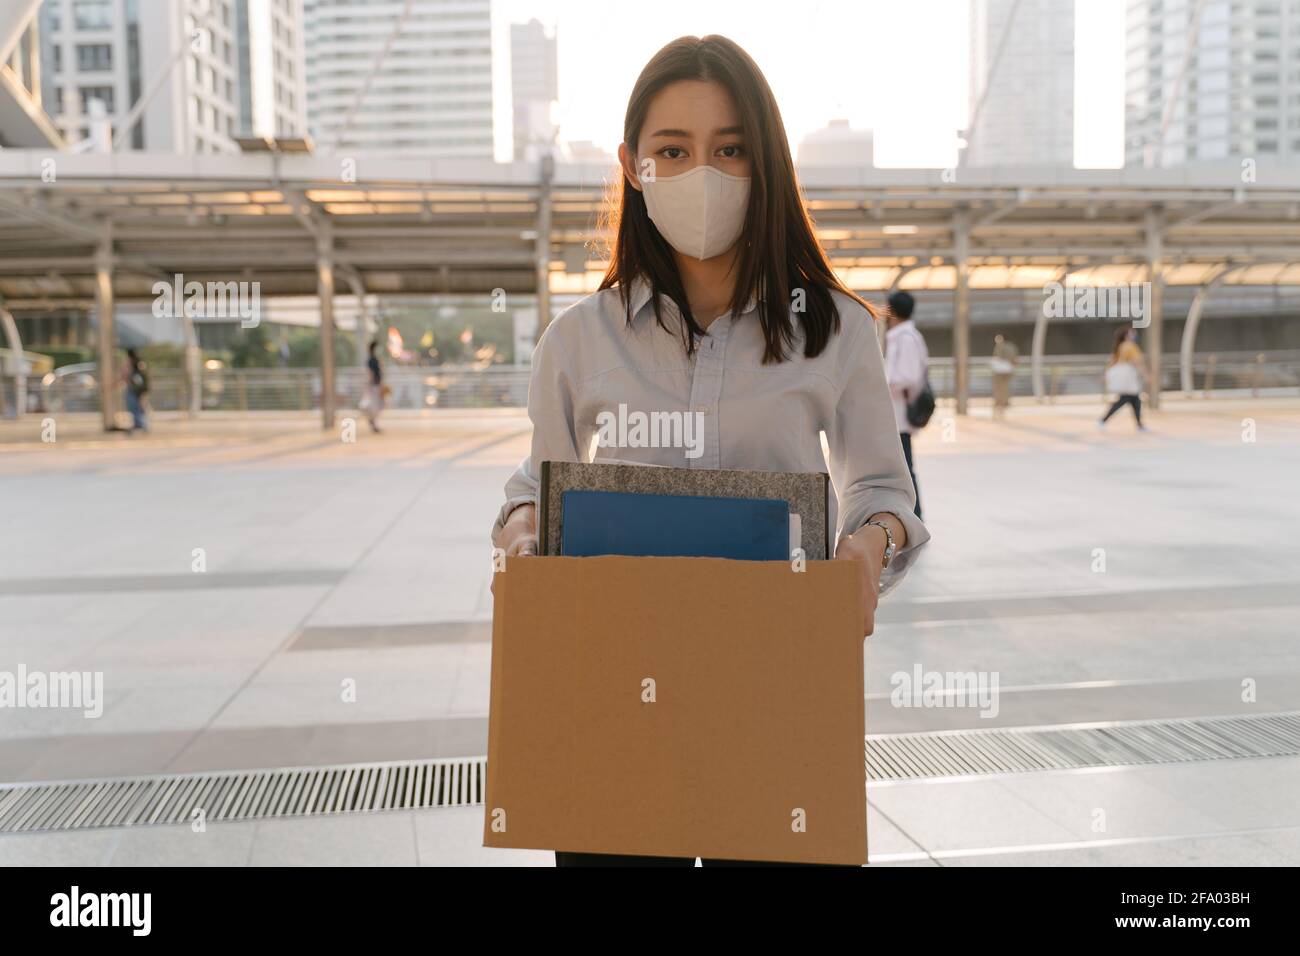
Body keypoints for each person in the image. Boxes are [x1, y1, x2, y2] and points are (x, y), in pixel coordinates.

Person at [490, 35, 930, 867]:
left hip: (774, 696)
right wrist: (520, 533)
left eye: (730, 149)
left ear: (766, 162)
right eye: (673, 150)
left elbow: (884, 491)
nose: (704, 173)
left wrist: (870, 549)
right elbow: (535, 485)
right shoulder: (575, 342)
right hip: (610, 697)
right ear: (631, 165)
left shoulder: (836, 331)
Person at [882, 291, 928, 519]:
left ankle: (914, 515)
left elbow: (908, 376)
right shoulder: (904, 336)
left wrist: (883, 383)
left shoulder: (905, 338)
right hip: (897, 414)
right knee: (904, 466)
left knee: (905, 467)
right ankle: (911, 514)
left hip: (899, 415)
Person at [1099, 326, 1148, 431]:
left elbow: (1113, 362)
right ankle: (1103, 420)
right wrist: (1146, 375)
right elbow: (1136, 362)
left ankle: (1139, 425)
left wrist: (1105, 375)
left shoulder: (1120, 346)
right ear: (1127, 335)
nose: (1135, 335)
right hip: (1129, 379)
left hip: (1125, 379)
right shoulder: (1130, 346)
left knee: (1134, 400)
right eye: (1132, 333)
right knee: (1127, 400)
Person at [119, 347, 150, 433]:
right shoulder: (140, 364)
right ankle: (140, 424)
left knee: (137, 407)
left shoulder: (135, 364)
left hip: (135, 390)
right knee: (138, 407)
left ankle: (141, 424)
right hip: (137, 389)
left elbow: (126, 376)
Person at [990, 333, 1018, 419]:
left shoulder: (1000, 346)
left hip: (999, 371)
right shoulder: (1012, 347)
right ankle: (1004, 403)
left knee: (998, 388)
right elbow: (1015, 359)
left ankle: (998, 404)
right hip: (1008, 371)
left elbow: (998, 357)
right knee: (1005, 387)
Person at [363, 339, 384, 433]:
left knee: (378, 404)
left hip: (377, 384)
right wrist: (370, 385)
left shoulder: (375, 359)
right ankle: (373, 423)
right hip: (374, 385)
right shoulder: (371, 360)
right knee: (376, 405)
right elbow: (370, 373)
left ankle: (373, 422)